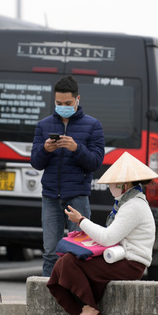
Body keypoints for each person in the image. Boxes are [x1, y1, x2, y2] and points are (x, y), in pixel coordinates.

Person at [47, 152, 158, 315]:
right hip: (117, 257)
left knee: (69, 262)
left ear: (125, 184)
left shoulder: (134, 205)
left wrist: (81, 221)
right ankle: (83, 311)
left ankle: (90, 310)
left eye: (113, 183)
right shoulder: (126, 203)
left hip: (130, 264)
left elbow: (108, 238)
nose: (110, 187)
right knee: (64, 262)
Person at [31, 75, 105, 277]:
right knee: (50, 252)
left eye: (68, 103)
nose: (63, 106)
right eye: (58, 103)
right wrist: (45, 149)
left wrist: (76, 148)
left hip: (77, 196)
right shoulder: (44, 125)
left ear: (77, 99)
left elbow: (96, 163)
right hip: (51, 196)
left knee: (79, 251)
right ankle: (47, 299)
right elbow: (36, 163)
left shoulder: (93, 125)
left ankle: (77, 296)